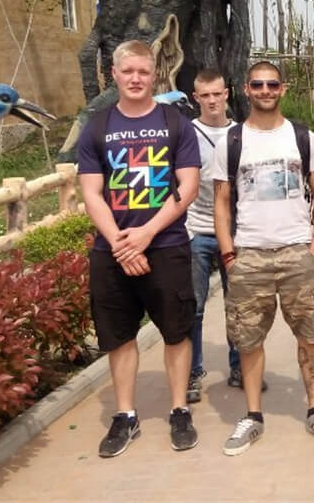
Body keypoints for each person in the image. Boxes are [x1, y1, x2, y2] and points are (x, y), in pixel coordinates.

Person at [77, 40, 201, 457]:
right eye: (127, 71)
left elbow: (188, 186)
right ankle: (125, 414)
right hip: (112, 250)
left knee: (176, 331)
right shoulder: (96, 127)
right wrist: (120, 243)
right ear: (114, 74)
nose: (135, 79)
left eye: (143, 72)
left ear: (155, 75)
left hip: (165, 244)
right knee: (119, 336)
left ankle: (179, 408)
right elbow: (91, 193)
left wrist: (146, 234)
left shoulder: (175, 124)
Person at [213, 61, 314, 454]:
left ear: (282, 88)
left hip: (296, 253)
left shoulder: (302, 138)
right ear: (246, 89)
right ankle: (253, 415)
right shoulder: (230, 142)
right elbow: (221, 202)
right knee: (249, 339)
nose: (265, 90)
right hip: (249, 254)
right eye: (257, 84)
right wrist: (229, 254)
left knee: (309, 334)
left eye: (272, 84)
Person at [185, 69, 242, 404]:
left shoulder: (241, 133)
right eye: (205, 95)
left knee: (239, 304)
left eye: (216, 94)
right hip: (198, 231)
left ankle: (240, 367)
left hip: (235, 234)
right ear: (196, 98)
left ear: (226, 94)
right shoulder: (187, 134)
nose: (211, 101)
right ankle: (193, 372)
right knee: (193, 307)